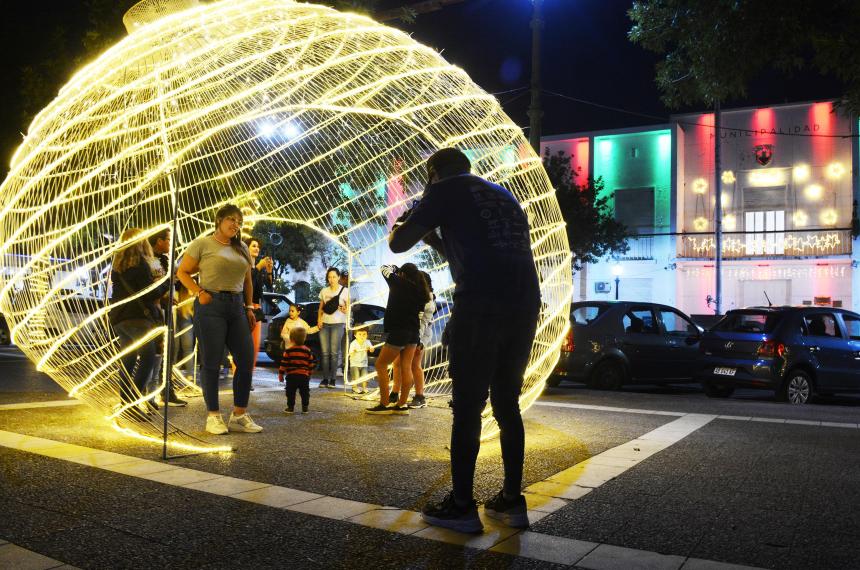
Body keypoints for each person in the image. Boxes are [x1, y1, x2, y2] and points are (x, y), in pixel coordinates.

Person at [389, 148, 541, 533]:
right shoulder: (501, 196)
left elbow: (397, 245)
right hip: (523, 304)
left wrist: (406, 224)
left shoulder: (442, 191)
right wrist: (435, 239)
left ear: (433, 174)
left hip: (481, 306)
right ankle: (511, 501)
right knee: (507, 403)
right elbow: (471, 252)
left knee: (469, 405)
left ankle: (461, 507)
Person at [176, 204, 263, 435]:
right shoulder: (203, 244)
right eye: (231, 220)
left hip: (237, 307)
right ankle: (213, 416)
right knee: (212, 362)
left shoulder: (242, 247)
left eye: (239, 222)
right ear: (219, 220)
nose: (235, 224)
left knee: (245, 359)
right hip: (210, 304)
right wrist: (198, 292)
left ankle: (239, 414)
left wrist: (249, 306)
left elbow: (247, 281)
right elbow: (182, 272)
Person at [109, 228, 171, 422]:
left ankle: (125, 401)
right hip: (139, 318)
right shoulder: (142, 266)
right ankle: (131, 403)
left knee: (127, 361)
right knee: (148, 358)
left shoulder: (118, 267)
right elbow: (150, 293)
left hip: (120, 318)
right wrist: (165, 284)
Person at [365, 263, 430, 415]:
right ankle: (401, 405)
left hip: (399, 331)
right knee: (406, 367)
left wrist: (395, 268)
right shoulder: (420, 291)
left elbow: (383, 268)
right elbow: (420, 317)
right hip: (413, 333)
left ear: (403, 274)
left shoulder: (398, 282)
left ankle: (384, 403)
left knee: (381, 364)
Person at [147, 228, 187, 407]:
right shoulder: (148, 261)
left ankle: (166, 390)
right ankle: (150, 393)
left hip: (166, 311)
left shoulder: (165, 260)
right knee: (155, 353)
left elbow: (175, 279)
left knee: (169, 351)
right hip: (153, 313)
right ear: (159, 241)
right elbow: (152, 288)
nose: (171, 244)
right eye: (169, 240)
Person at [243, 236, 273, 374]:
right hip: (245, 307)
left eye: (258, 246)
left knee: (254, 345)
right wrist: (259, 267)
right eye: (253, 246)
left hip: (256, 308)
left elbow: (269, 287)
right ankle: (241, 374)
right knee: (244, 345)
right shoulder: (244, 264)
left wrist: (268, 271)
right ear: (246, 248)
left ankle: (249, 376)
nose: (257, 248)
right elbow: (247, 284)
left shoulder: (258, 269)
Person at [317, 267, 349, 388]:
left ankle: (333, 380)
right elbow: (321, 308)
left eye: (334, 277)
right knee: (325, 353)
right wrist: (319, 320)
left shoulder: (345, 291)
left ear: (339, 277)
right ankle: (325, 379)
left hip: (338, 323)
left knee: (334, 353)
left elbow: (349, 309)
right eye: (329, 277)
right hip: (324, 323)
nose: (331, 279)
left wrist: (345, 309)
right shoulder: (324, 291)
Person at [279, 326, 317, 414]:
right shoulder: (307, 351)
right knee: (305, 392)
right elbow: (310, 364)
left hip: (291, 376)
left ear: (291, 339)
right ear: (304, 338)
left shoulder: (288, 351)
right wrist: (310, 374)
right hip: (304, 376)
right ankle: (305, 407)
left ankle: (290, 407)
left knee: (290, 392)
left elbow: (284, 364)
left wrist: (281, 374)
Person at [348, 327, 374, 394]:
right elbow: (350, 353)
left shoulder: (367, 342)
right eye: (359, 334)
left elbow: (372, 349)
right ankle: (355, 388)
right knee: (355, 376)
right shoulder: (353, 343)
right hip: (354, 364)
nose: (362, 336)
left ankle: (364, 388)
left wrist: (370, 348)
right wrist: (353, 351)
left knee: (365, 376)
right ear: (355, 335)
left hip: (364, 363)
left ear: (367, 335)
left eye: (364, 334)